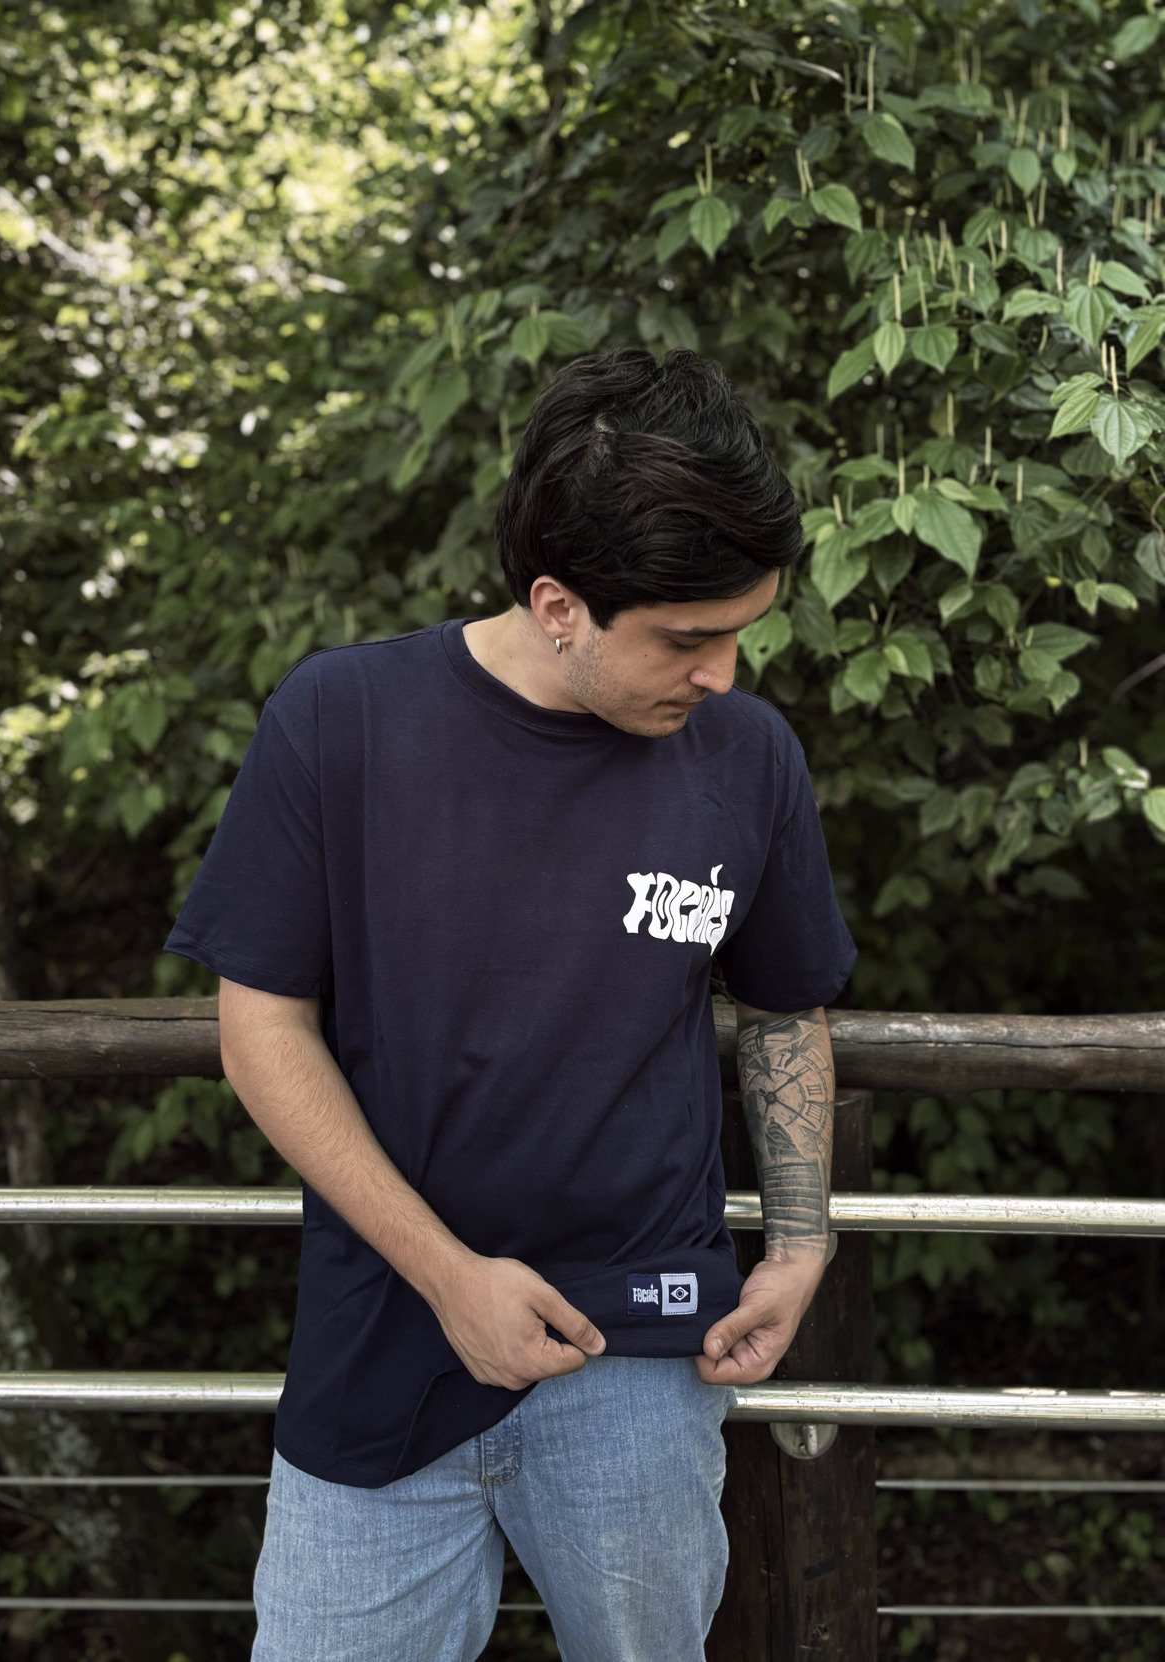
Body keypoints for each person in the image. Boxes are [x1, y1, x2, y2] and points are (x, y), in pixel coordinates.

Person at [163, 346, 857, 1661]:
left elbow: (782, 1010)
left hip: (643, 1361)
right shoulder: (341, 720)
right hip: (382, 1342)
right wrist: (448, 1277)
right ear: (557, 605)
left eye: (741, 631)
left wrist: (802, 1243)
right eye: (688, 639)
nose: (722, 672)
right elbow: (259, 1032)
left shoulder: (749, 758)